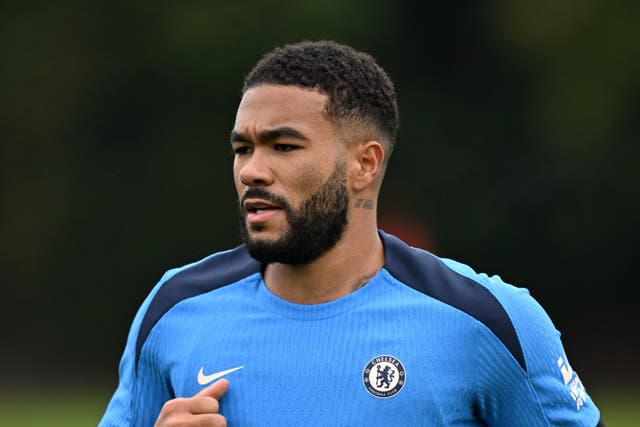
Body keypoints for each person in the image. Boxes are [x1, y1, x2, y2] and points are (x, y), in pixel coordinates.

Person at [99, 40, 603, 427]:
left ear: (365, 164)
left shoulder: (487, 319)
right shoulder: (174, 307)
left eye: (283, 147)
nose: (252, 169)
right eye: (243, 148)